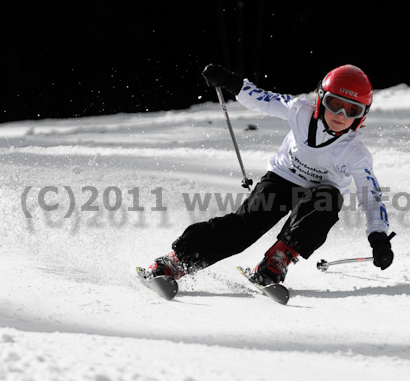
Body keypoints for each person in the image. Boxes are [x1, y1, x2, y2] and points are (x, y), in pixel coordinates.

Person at [143, 63, 394, 287]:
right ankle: (177, 261)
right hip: (282, 180)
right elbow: (262, 99)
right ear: (320, 100)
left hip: (320, 194)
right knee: (245, 228)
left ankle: (275, 261)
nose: (341, 116)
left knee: (327, 202)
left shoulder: (355, 152)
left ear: (362, 116)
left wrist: (378, 237)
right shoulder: (299, 111)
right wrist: (231, 82)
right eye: (335, 104)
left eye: (352, 110)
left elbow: (370, 196)